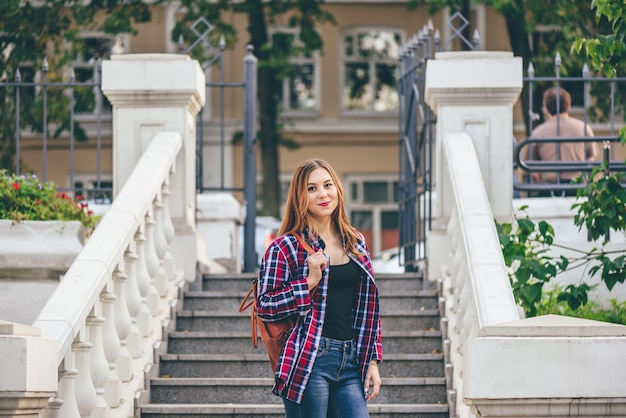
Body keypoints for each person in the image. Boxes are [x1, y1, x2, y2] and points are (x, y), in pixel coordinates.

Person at [256, 158, 382, 417]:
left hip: (351, 360)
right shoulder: (285, 247)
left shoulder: (355, 242)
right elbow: (264, 306)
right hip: (309, 359)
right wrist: (307, 283)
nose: (323, 194)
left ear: (337, 188)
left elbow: (369, 308)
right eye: (312, 188)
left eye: (327, 185)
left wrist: (372, 359)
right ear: (300, 197)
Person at [529, 86, 597, 197]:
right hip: (577, 189)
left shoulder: (537, 132)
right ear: (568, 105)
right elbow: (590, 162)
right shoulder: (584, 129)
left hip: (547, 189)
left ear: (546, 108)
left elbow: (534, 173)